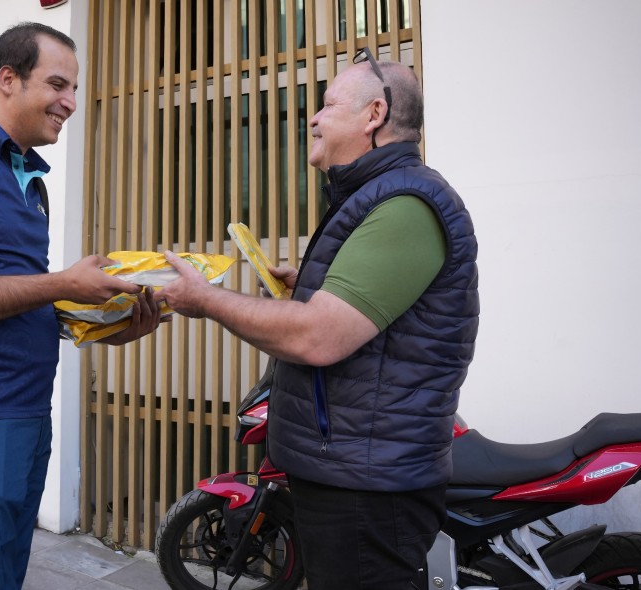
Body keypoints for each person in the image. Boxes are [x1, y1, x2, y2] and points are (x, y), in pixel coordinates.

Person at [161, 50, 478, 590]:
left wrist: (207, 299)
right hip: (353, 469)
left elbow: (318, 337)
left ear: (374, 115)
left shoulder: (405, 204)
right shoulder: (378, 195)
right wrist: (307, 289)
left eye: (328, 105)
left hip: (366, 485)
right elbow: (366, 319)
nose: (313, 118)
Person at [0, 22, 163, 589]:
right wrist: (62, 282)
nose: (71, 103)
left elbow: (17, 298)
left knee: (2, 575)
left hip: (26, 417)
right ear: (8, 79)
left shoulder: (29, 179)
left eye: (75, 88)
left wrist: (108, 324)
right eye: (58, 84)